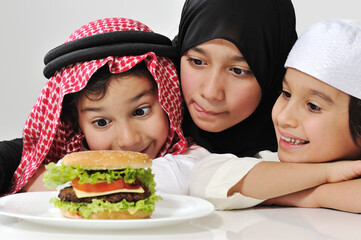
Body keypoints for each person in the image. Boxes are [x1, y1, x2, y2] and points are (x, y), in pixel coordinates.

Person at [3, 17, 208, 195]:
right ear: (76, 124)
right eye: (102, 122)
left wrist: (51, 183)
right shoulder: (68, 156)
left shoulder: (193, 160)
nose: (128, 140)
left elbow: (175, 178)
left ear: (168, 102)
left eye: (140, 111)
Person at [192, 19, 361, 213]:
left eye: (313, 106)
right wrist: (327, 174)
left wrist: (309, 195)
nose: (284, 117)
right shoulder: (269, 162)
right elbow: (204, 180)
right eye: (286, 93)